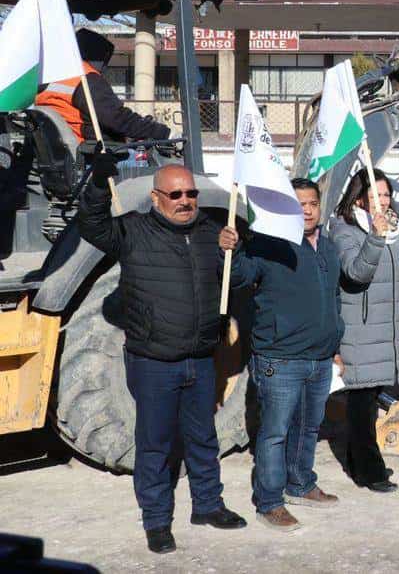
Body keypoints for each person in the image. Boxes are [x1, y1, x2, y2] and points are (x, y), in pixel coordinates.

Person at [78, 157, 245, 554]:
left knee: (203, 437)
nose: (185, 201)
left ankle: (207, 505)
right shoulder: (133, 232)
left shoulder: (210, 233)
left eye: (191, 193)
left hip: (200, 359)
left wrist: (233, 251)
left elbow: (228, 282)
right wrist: (100, 181)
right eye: (176, 194)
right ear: (156, 198)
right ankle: (156, 521)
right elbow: (93, 225)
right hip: (153, 362)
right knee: (154, 445)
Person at [227, 177, 344, 532]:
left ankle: (301, 483)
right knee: (275, 432)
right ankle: (270, 502)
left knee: (309, 427)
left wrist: (335, 345)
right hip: (280, 358)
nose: (306, 210)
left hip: (320, 358)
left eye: (311, 203)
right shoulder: (267, 245)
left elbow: (334, 297)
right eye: (298, 204)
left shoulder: (328, 247)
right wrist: (229, 251)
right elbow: (237, 279)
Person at [330, 168, 399, 492]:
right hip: (361, 329)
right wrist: (376, 237)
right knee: (362, 401)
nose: (382, 201)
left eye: (385, 194)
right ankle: (370, 470)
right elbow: (356, 272)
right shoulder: (344, 230)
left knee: (369, 397)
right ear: (359, 198)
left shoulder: (393, 229)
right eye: (374, 196)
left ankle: (359, 461)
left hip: (387, 328)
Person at [36, 28, 169, 143]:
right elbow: (119, 119)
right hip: (93, 154)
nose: (105, 69)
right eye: (105, 62)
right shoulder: (87, 79)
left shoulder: (51, 76)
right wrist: (162, 133)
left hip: (66, 152)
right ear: (98, 58)